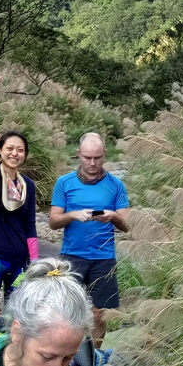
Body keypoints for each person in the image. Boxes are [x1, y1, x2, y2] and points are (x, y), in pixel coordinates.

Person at [48, 133, 129, 347]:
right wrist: (73, 215)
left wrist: (112, 216)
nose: (92, 163)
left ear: (104, 155)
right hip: (72, 255)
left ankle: (94, 358)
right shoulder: (64, 183)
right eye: (87, 157)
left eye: (97, 157)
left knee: (99, 313)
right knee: (68, 311)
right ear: (78, 155)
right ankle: (68, 354)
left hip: (104, 257)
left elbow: (128, 225)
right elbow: (53, 221)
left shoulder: (116, 185)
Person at [0, 72, 39, 325]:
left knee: (17, 320)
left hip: (18, 262)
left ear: (25, 155)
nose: (15, 153)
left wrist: (35, 263)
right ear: (0, 151)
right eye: (9, 148)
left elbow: (30, 225)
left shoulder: (28, 186)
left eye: (20, 150)